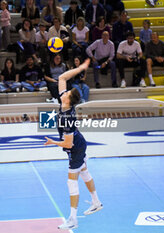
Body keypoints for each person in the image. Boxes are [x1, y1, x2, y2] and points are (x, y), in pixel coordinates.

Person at [44, 58, 103, 230]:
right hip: (79, 142)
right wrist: (81, 68)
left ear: (69, 100)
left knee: (72, 181)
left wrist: (52, 141)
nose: (65, 92)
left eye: (68, 93)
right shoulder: (63, 98)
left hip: (75, 147)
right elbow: (62, 78)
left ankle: (73, 219)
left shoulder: (68, 117)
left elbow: (68, 144)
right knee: (84, 172)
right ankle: (96, 202)